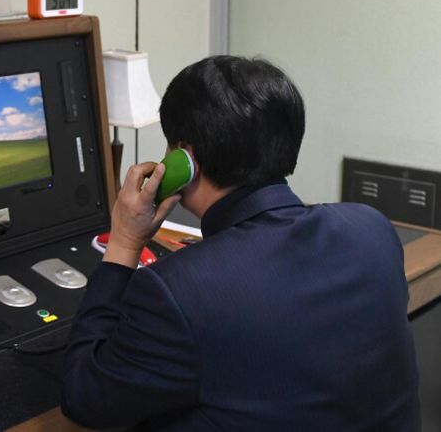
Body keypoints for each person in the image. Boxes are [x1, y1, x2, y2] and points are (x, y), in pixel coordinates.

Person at [62, 56, 420, 430]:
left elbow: (85, 397)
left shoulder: (177, 291)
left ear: (186, 159)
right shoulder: (371, 229)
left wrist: (122, 242)